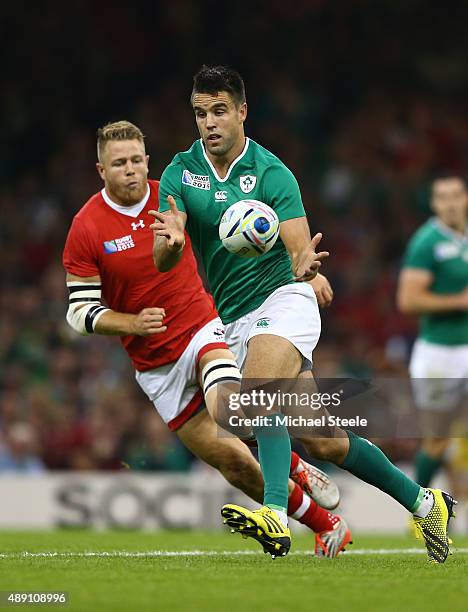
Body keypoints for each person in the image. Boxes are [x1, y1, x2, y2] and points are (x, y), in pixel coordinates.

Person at [151, 65, 456, 563]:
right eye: (201, 113)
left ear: (242, 112)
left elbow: (298, 250)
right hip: (233, 317)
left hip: (285, 299)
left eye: (220, 111)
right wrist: (173, 242)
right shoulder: (181, 173)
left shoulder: (273, 174)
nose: (209, 123)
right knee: (326, 442)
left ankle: (275, 513)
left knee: (257, 391)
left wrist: (307, 267)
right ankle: (425, 503)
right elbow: (165, 253)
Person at [62, 120, 349, 559]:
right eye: (119, 163)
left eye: (138, 160)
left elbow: (250, 228)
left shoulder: (174, 194)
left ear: (147, 161)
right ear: (100, 169)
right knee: (233, 464)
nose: (131, 170)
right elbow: (79, 311)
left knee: (232, 412)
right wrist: (130, 324)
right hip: (155, 365)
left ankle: (290, 470)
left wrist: (303, 278)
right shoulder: (86, 227)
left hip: (201, 329)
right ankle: (323, 522)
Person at [397, 174, 468, 488]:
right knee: (437, 439)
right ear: (433, 203)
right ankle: (422, 511)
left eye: (456, 195)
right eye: (443, 197)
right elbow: (409, 300)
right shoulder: (426, 242)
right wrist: (460, 301)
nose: (451, 204)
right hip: (440, 354)